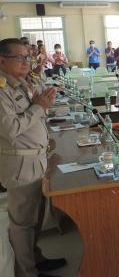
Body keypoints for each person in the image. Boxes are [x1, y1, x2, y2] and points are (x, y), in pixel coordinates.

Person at [0, 38, 66, 277]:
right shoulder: (2, 90)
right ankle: (26, 272)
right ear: (2, 61)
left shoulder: (23, 83)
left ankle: (35, 259)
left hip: (37, 159)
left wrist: (45, 102)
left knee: (37, 217)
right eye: (19, 57)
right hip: (20, 164)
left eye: (28, 57)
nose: (26, 62)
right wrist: (39, 106)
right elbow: (10, 129)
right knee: (22, 224)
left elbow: (37, 114)